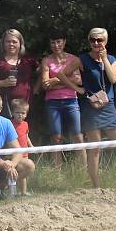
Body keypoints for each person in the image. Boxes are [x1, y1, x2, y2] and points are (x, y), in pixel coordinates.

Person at [56, 28, 116, 188]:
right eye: (93, 40)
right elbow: (61, 74)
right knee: (95, 148)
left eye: (100, 40)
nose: (96, 43)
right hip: (91, 106)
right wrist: (78, 89)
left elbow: (114, 78)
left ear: (105, 41)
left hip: (108, 107)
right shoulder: (82, 59)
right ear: (89, 41)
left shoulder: (111, 58)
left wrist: (104, 59)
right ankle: (96, 186)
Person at [35, 32, 85, 167]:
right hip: (52, 103)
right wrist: (67, 80)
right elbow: (45, 84)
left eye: (58, 42)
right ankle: (57, 171)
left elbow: (79, 80)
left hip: (71, 101)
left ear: (64, 42)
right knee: (56, 137)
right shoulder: (46, 60)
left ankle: (84, 168)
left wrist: (55, 80)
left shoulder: (73, 59)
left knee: (77, 135)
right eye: (52, 42)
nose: (56, 45)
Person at [0, 29, 38, 120]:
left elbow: (43, 72)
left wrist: (36, 89)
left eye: (14, 42)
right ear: (3, 43)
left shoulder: (28, 60)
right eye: (8, 41)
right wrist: (3, 83)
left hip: (25, 108)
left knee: (23, 133)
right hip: (4, 107)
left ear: (20, 43)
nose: (11, 44)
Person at [10, 98, 34, 196]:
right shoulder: (9, 124)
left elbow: (26, 137)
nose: (20, 115)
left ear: (26, 114)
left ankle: (23, 192)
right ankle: (12, 191)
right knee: (14, 171)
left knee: (24, 173)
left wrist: (31, 146)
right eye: (17, 112)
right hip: (14, 154)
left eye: (23, 113)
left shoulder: (25, 124)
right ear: (12, 112)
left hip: (25, 152)